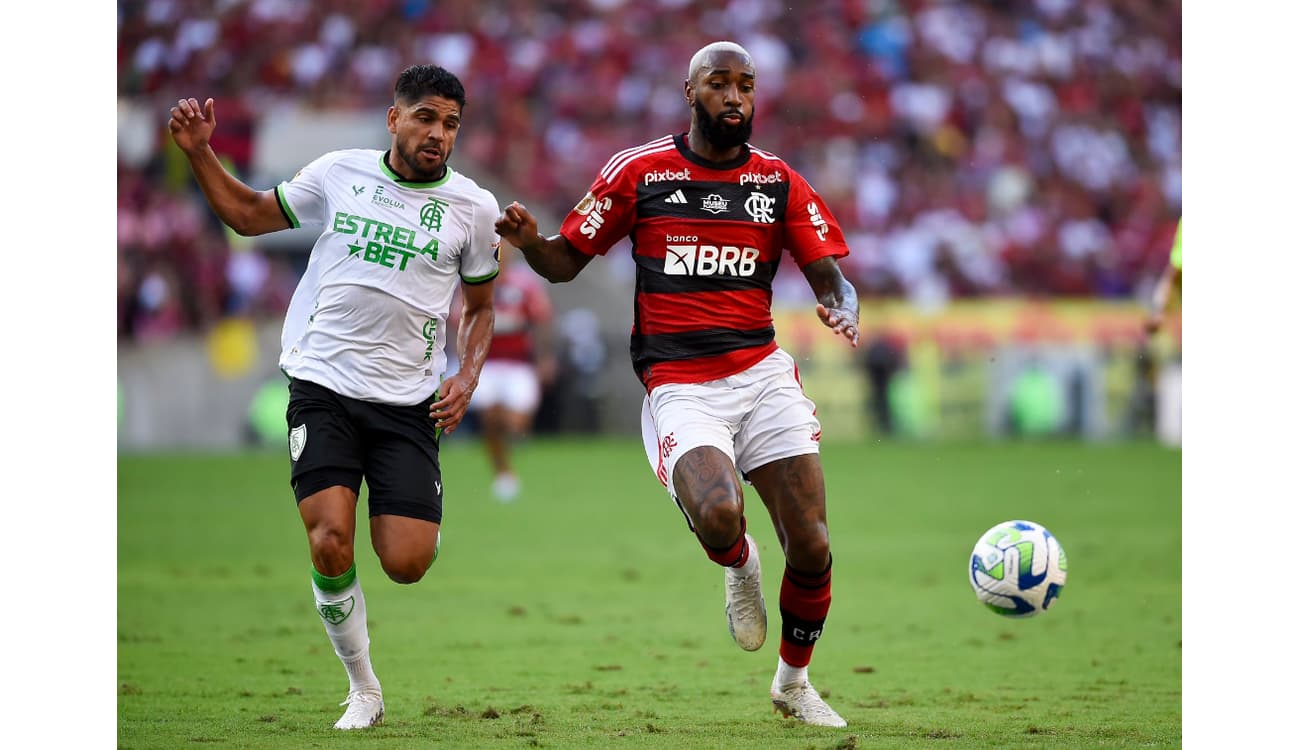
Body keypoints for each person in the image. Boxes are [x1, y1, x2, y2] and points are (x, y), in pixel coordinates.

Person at [495, 41, 861, 728]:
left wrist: (843, 299)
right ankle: (740, 567)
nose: (735, 97)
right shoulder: (639, 172)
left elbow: (828, 273)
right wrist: (530, 240)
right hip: (681, 384)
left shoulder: (778, 181)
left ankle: (793, 683)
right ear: (690, 92)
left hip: (761, 374)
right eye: (719, 84)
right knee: (720, 516)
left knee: (812, 543)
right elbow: (564, 265)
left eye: (746, 85)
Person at [167, 64, 501, 730]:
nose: (439, 134)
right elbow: (246, 214)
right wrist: (202, 152)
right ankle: (364, 689)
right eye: (427, 118)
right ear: (394, 118)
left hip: (408, 403)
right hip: (323, 384)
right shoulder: (339, 172)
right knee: (328, 541)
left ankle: (416, 524)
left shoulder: (475, 208)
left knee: (405, 562)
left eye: (451, 124)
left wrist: (466, 377)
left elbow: (482, 306)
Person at [464, 244, 557, 501]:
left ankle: (508, 456)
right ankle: (503, 472)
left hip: (518, 364)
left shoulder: (525, 285)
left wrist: (545, 357)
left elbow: (541, 320)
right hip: (488, 362)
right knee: (489, 418)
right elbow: (460, 320)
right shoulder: (476, 280)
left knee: (515, 423)